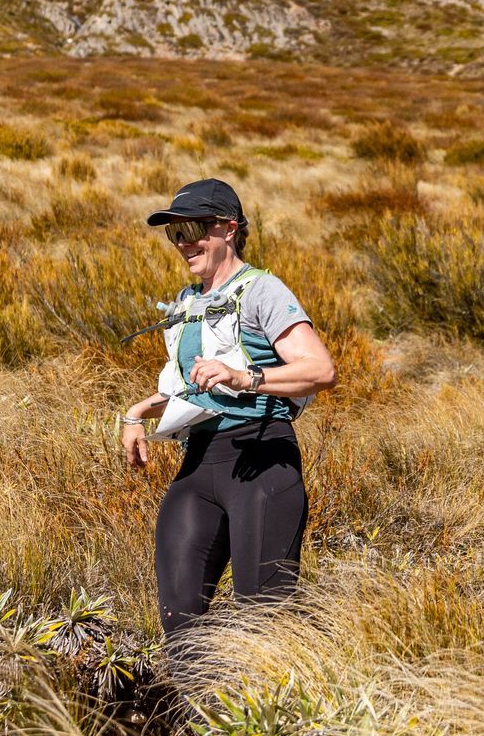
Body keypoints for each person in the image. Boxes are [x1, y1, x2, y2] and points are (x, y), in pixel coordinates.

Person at [119, 178, 336, 665]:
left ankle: (268, 734)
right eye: (173, 233)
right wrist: (134, 414)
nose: (182, 243)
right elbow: (184, 385)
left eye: (192, 228)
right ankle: (198, 733)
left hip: (260, 460)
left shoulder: (263, 290)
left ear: (229, 228)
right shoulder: (185, 302)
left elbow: (320, 370)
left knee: (262, 622)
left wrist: (244, 377)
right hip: (198, 466)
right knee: (180, 626)